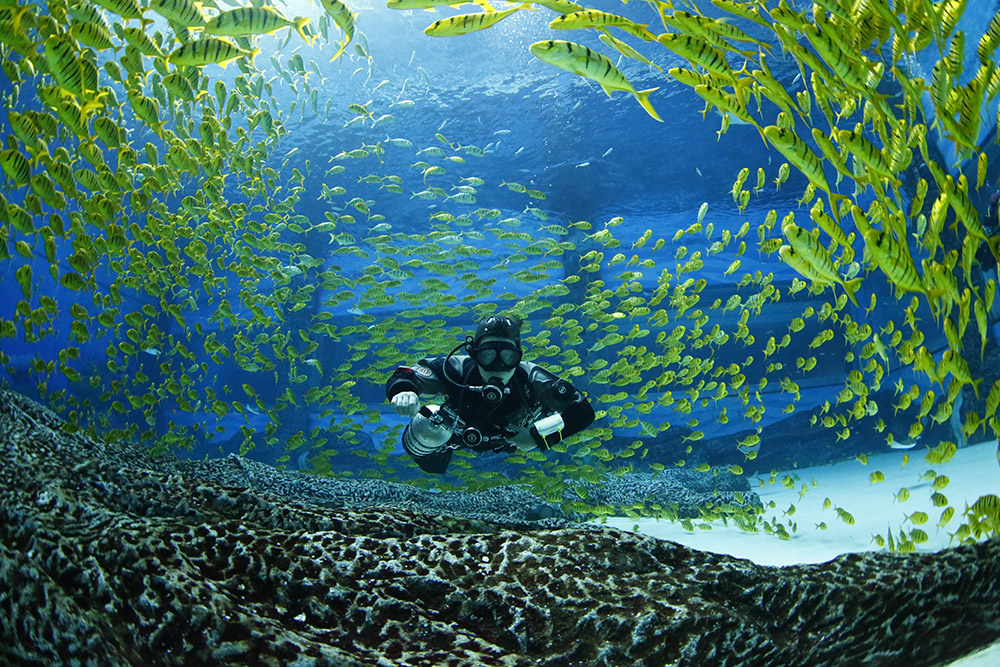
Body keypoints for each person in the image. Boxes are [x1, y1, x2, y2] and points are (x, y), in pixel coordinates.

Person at [385, 315, 596, 474]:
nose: (498, 366)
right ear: (474, 355)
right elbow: (408, 374)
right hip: (456, 433)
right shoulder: (456, 369)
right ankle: (435, 464)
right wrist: (404, 390)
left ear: (518, 357)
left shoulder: (531, 377)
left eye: (507, 356)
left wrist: (538, 436)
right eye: (487, 356)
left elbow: (582, 411)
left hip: (513, 438)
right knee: (428, 421)